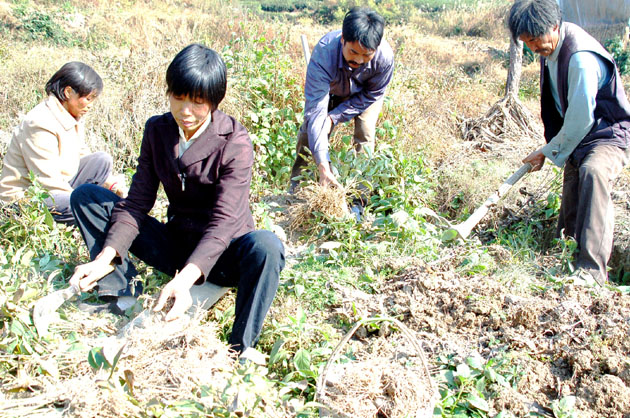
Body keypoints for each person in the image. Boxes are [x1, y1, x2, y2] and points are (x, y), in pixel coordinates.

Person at [67, 44, 285, 355]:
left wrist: (184, 282)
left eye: (197, 103)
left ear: (213, 102)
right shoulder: (158, 130)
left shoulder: (235, 141)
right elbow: (137, 202)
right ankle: (119, 291)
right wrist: (104, 258)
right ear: (169, 92)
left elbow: (225, 222)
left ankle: (242, 347)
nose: (185, 111)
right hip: (179, 244)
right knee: (88, 197)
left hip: (222, 255)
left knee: (267, 246)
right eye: (178, 98)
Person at [508, 0, 630, 284]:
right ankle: (564, 258)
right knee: (573, 185)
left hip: (607, 133)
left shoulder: (579, 57)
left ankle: (592, 272)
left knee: (593, 173)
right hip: (582, 136)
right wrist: (555, 148)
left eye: (535, 41)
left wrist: (547, 151)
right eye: (526, 43)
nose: (532, 49)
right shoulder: (552, 47)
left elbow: (580, 120)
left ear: (554, 26)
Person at [289, 6, 394, 216]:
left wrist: (335, 116)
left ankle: (359, 199)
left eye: (366, 55)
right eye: (353, 52)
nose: (359, 60)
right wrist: (323, 165)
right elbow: (316, 111)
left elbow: (372, 96)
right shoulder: (324, 53)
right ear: (343, 39)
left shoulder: (384, 59)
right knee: (310, 130)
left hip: (365, 95)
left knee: (365, 133)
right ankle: (298, 190)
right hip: (332, 89)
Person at [0, 62, 126, 224]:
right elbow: (46, 182)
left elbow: (82, 154)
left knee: (101, 160)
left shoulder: (70, 116)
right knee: (90, 209)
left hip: (59, 185)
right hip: (28, 198)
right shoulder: (40, 123)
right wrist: (86, 201)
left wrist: (112, 184)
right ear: (68, 92)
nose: (91, 105)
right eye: (88, 99)